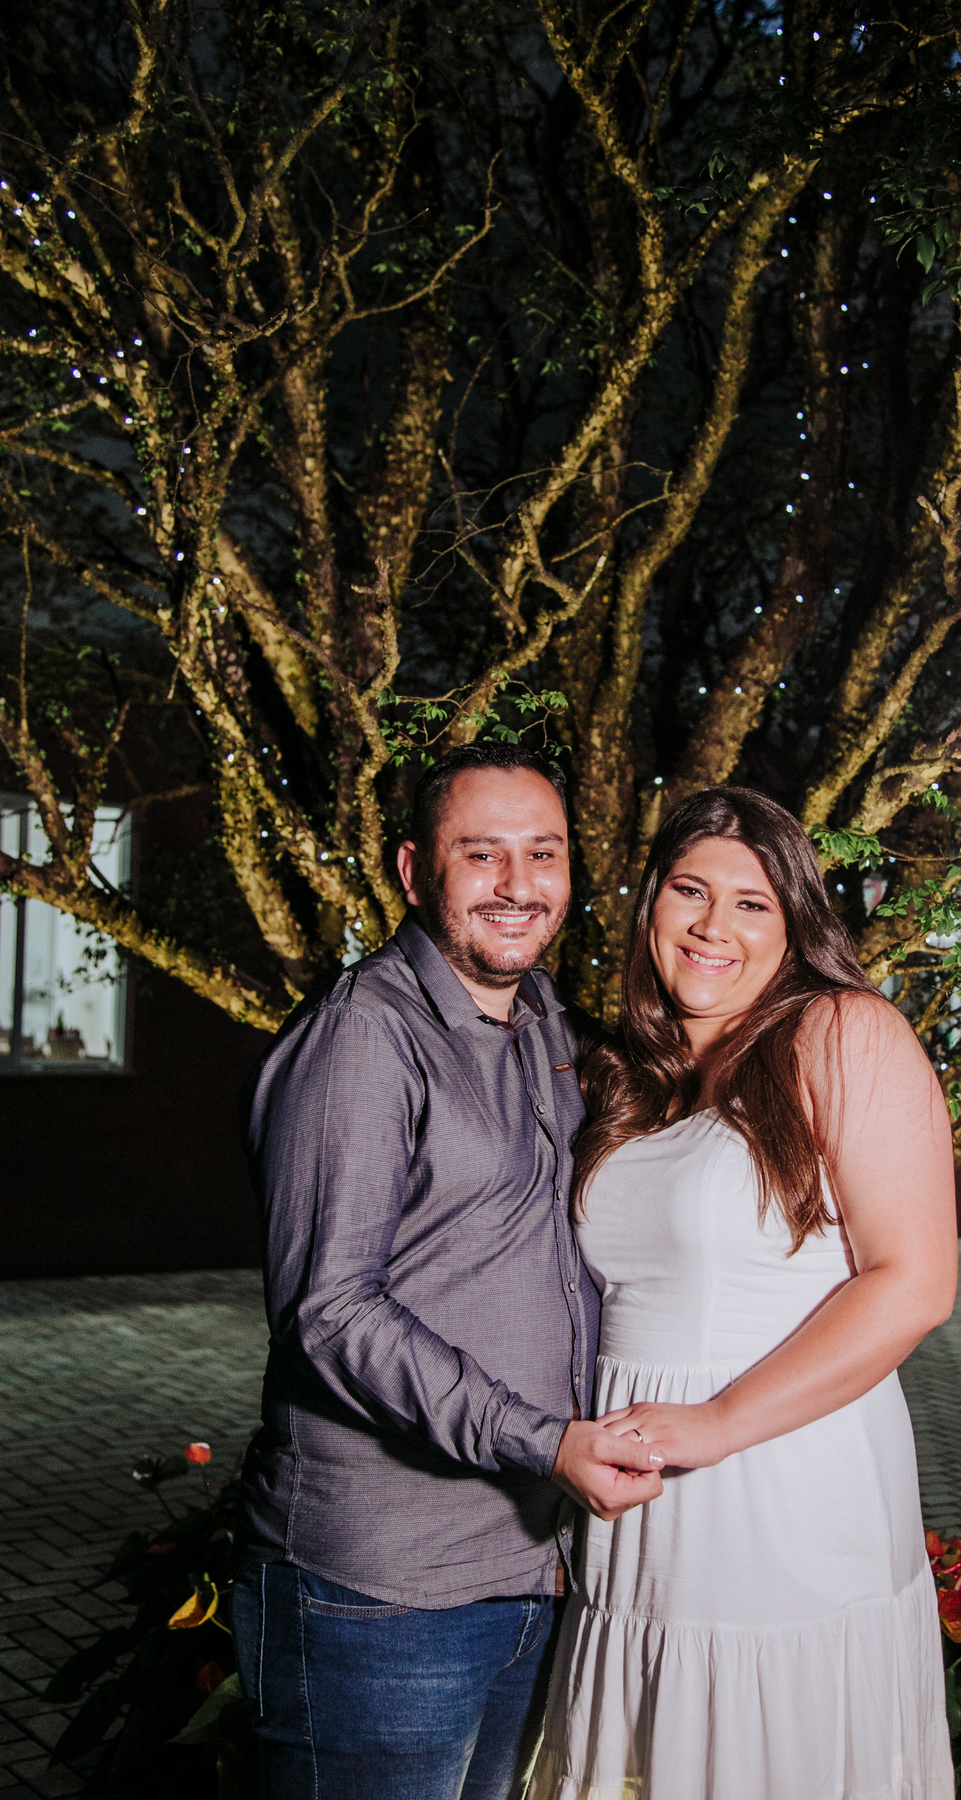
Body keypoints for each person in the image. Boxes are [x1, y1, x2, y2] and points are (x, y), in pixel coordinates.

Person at [231, 743, 664, 1800]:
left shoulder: (544, 1021)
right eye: (482, 853)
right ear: (414, 871)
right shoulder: (363, 1038)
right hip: (379, 1595)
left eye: (543, 854)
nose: (518, 885)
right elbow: (331, 1313)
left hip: (530, 1570)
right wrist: (542, 1441)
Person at [529, 786, 959, 1800]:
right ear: (651, 905)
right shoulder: (635, 1078)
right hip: (638, 1508)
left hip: (781, 1483)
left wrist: (716, 1423)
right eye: (690, 891)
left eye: (751, 903)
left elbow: (915, 1284)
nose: (712, 925)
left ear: (795, 922)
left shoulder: (842, 1031)